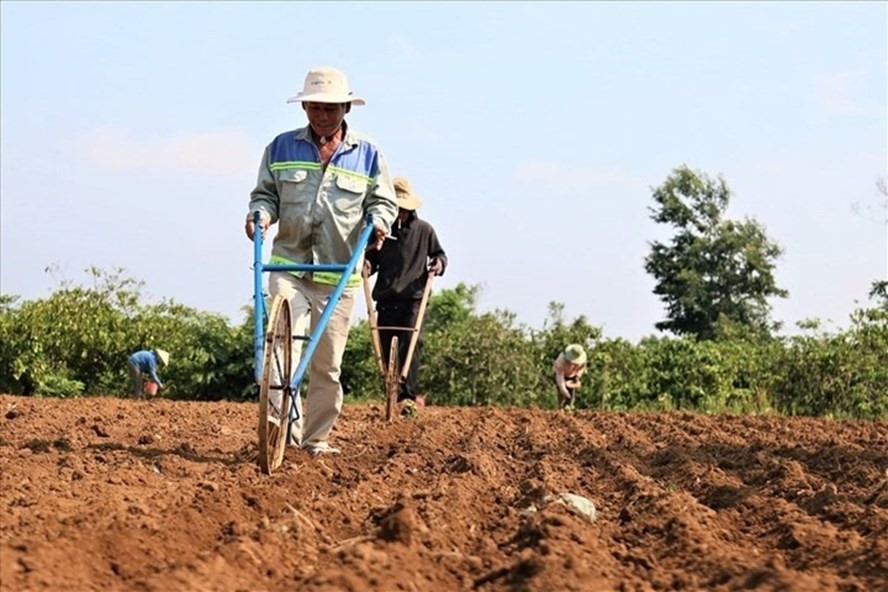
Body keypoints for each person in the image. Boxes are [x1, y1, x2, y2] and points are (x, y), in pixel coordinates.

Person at [245, 66, 398, 456]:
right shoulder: (280, 148)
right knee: (282, 352)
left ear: (346, 108)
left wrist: (378, 222)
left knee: (326, 365)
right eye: (314, 107)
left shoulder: (368, 154)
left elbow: (383, 202)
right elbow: (265, 195)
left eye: (330, 108)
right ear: (305, 107)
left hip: (338, 273)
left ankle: (316, 439)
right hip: (289, 266)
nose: (322, 115)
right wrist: (259, 215)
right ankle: (281, 434)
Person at [364, 177, 447, 417]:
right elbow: (373, 259)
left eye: (403, 208)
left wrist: (438, 264)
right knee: (384, 346)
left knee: (411, 343)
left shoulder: (424, 231)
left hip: (414, 298)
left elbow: (440, 254)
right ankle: (390, 391)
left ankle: (408, 396)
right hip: (387, 299)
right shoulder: (382, 232)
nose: (400, 212)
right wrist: (368, 264)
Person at [553, 344, 587, 409]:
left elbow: (582, 368)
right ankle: (560, 408)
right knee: (562, 393)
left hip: (572, 375)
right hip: (561, 376)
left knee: (572, 394)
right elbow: (560, 379)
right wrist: (564, 391)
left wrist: (577, 377)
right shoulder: (560, 362)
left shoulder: (583, 358)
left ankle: (569, 406)